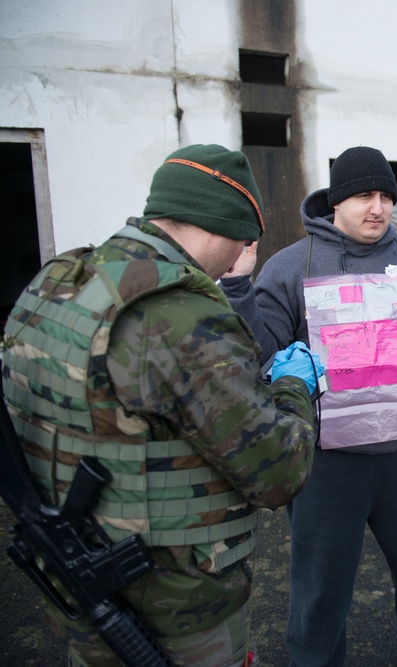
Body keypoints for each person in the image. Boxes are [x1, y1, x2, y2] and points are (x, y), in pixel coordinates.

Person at [0, 144, 322, 667]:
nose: (237, 260)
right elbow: (278, 471)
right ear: (222, 226)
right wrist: (292, 385)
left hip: (76, 580)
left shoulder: (60, 280)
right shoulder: (181, 315)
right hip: (172, 610)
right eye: (244, 241)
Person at [220, 145, 397, 667]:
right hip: (326, 456)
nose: (377, 208)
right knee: (321, 574)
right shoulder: (291, 265)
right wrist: (237, 287)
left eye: (386, 197)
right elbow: (257, 353)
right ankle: (314, 657)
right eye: (364, 196)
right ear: (335, 202)